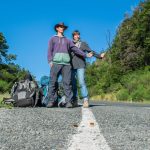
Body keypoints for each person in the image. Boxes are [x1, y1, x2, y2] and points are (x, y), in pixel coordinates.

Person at [47, 23, 93, 108]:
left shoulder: (68, 40)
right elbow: (49, 50)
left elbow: (76, 50)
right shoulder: (52, 39)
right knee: (53, 82)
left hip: (66, 65)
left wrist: (85, 55)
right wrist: (50, 61)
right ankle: (51, 101)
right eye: (61, 27)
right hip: (56, 63)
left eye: (63, 27)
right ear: (57, 28)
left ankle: (69, 102)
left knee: (67, 83)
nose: (62, 28)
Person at [71, 30, 105, 108]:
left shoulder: (83, 43)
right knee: (73, 84)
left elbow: (91, 51)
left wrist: (99, 56)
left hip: (81, 65)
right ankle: (75, 100)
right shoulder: (70, 44)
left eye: (78, 35)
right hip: (72, 66)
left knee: (81, 82)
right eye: (76, 35)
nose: (77, 36)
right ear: (73, 36)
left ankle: (85, 100)